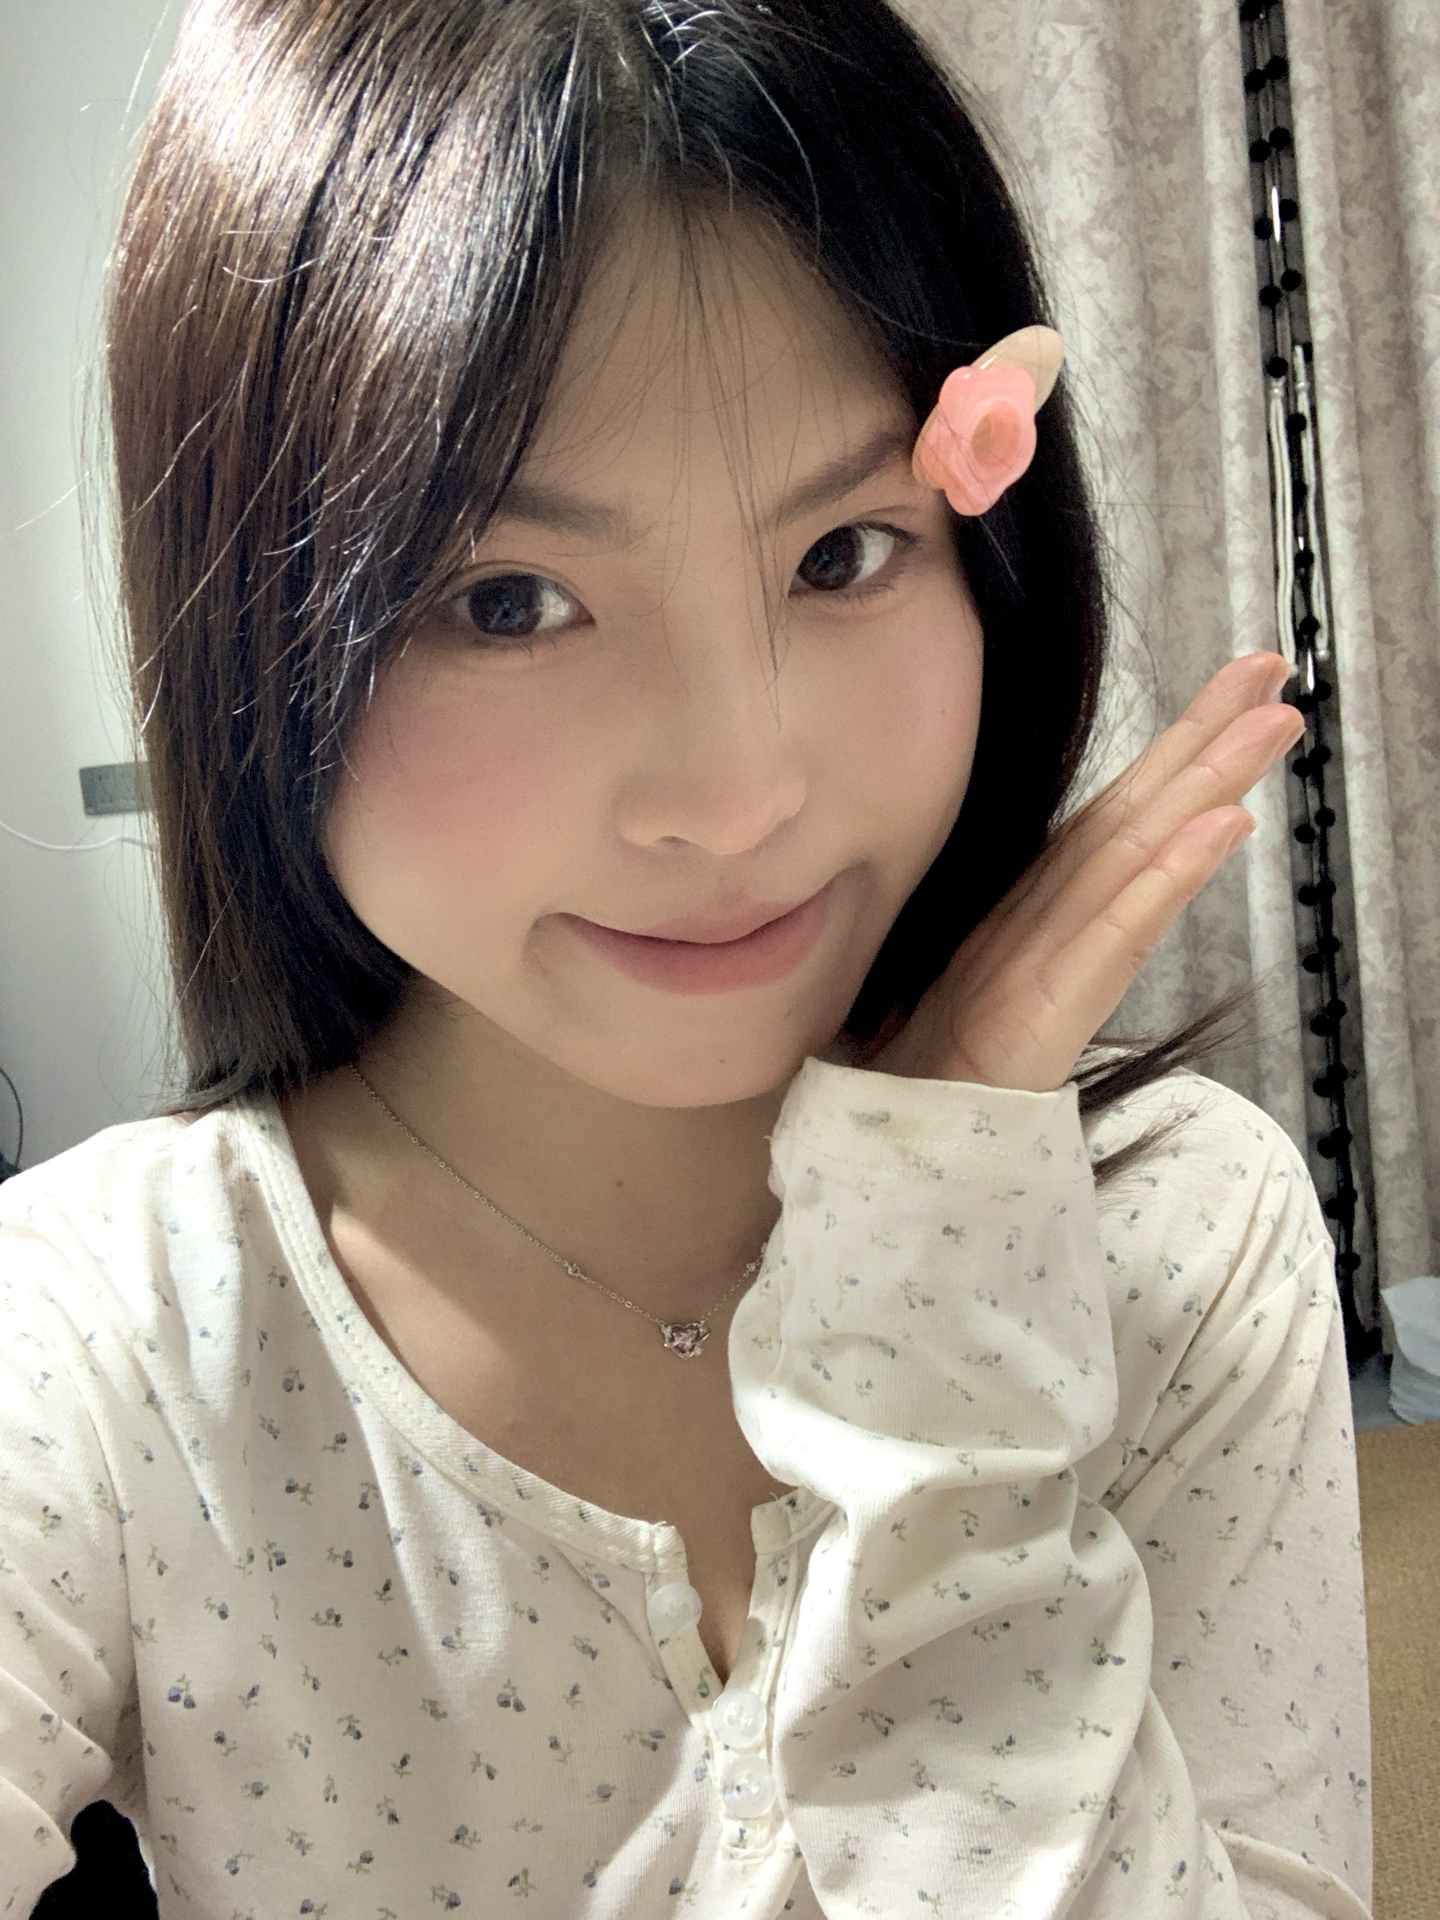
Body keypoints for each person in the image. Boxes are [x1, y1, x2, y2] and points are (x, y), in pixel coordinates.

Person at [0, 1, 1372, 1915]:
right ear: (254, 640)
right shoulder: (103, 1327)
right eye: (508, 600)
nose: (739, 797)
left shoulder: (1173, 1227)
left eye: (844, 554)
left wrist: (936, 1282)